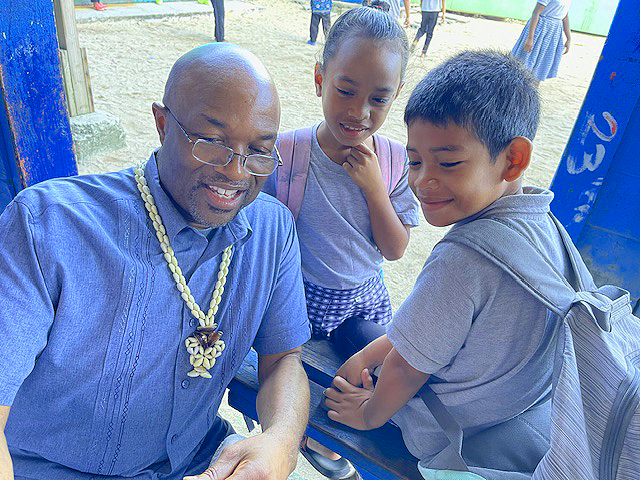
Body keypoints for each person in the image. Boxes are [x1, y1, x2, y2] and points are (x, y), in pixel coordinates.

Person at [0, 43, 312, 480]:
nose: (237, 171)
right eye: (212, 141)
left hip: (197, 463)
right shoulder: (46, 226)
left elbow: (284, 359)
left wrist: (281, 440)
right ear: (163, 124)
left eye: (259, 150)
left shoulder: (272, 231)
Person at [324, 50, 566, 477]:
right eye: (415, 161)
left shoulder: (463, 259)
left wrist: (368, 416)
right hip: (514, 416)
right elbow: (429, 335)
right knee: (366, 338)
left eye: (449, 163)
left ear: (513, 159)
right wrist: (369, 353)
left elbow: (406, 367)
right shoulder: (544, 223)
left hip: (453, 438)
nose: (422, 181)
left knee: (352, 339)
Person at [263, 6, 419, 479]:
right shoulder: (286, 155)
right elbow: (265, 235)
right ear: (319, 79)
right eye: (345, 91)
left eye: (379, 98)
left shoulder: (393, 163)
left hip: (363, 303)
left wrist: (373, 187)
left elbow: (394, 249)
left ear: (395, 99)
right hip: (300, 302)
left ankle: (346, 447)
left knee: (378, 379)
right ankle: (314, 443)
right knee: (299, 388)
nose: (359, 112)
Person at [511, 0, 572, 81]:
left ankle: (532, 90)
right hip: (540, 28)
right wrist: (530, 38)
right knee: (525, 60)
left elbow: (565, 16)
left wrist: (569, 38)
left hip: (554, 31)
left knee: (541, 64)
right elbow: (536, 13)